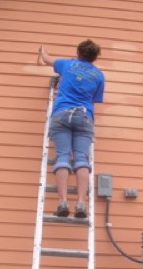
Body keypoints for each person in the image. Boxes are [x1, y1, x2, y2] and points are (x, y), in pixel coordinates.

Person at [37, 40, 105, 218]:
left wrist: (42, 52)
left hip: (62, 113)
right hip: (84, 116)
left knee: (63, 157)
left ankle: (63, 202)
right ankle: (81, 203)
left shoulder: (66, 64)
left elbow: (46, 59)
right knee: (81, 159)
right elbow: (95, 99)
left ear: (78, 52)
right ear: (95, 57)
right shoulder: (98, 75)